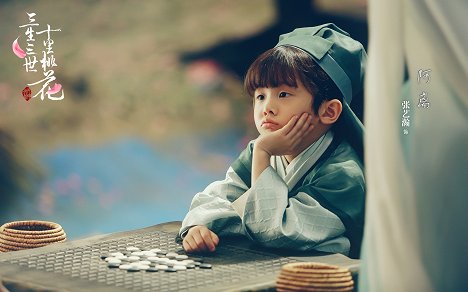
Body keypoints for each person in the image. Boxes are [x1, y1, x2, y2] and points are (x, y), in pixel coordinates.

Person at [177, 23, 366, 259]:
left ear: (328, 111)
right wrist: (199, 227)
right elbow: (221, 197)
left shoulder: (342, 176)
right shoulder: (262, 151)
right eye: (260, 96)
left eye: (283, 94)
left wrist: (263, 154)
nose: (267, 108)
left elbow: (273, 231)